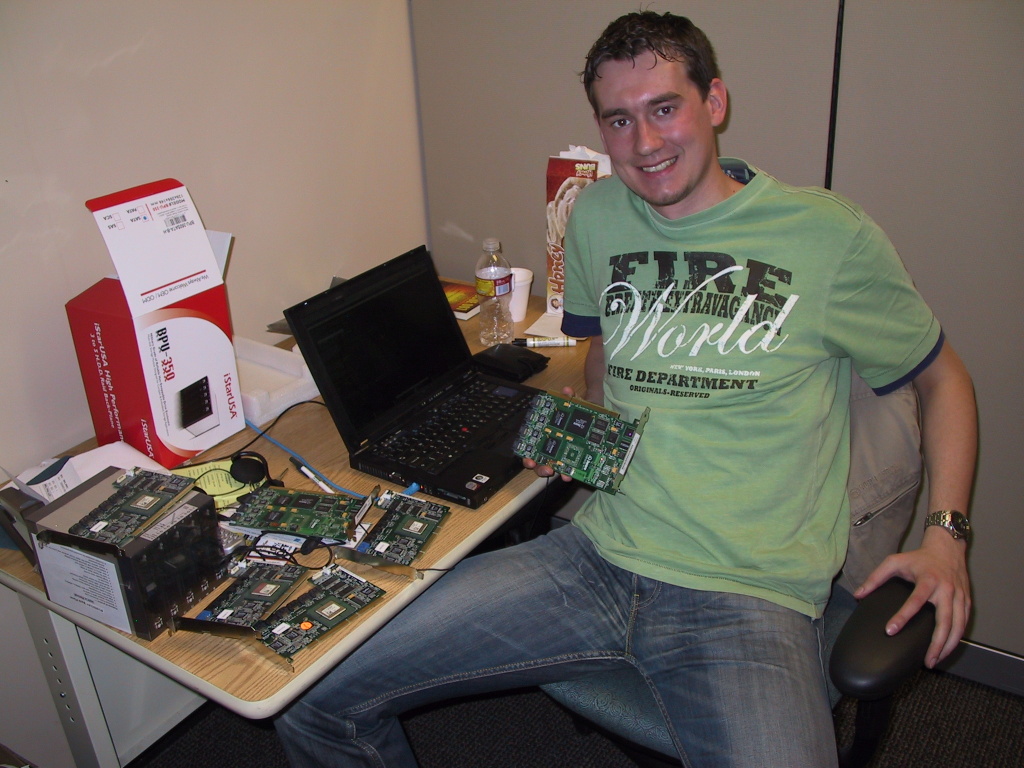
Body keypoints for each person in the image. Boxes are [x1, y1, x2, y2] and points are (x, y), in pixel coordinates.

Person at [275, 12, 976, 767]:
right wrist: (582, 431)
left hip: (749, 596)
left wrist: (946, 539)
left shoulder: (826, 237)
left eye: (664, 108)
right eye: (619, 119)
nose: (644, 143)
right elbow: (606, 357)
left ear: (715, 102)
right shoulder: (599, 215)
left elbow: (945, 380)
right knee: (315, 697)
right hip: (595, 559)